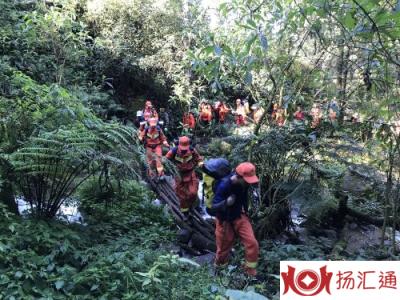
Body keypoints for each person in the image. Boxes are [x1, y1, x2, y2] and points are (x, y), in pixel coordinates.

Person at [209, 162, 260, 277]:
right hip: (224, 219)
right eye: (247, 180)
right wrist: (226, 202)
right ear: (238, 176)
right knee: (223, 249)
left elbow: (244, 198)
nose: (249, 182)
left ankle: (250, 272)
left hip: (238, 215)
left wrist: (246, 211)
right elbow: (214, 207)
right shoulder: (224, 185)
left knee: (252, 243)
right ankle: (219, 271)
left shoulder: (245, 184)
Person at [166, 136, 203, 219]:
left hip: (190, 173)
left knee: (193, 192)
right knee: (181, 195)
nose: (184, 150)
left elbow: (199, 158)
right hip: (179, 174)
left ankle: (192, 206)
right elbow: (166, 159)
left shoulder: (192, 150)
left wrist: (200, 163)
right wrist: (169, 167)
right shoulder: (174, 150)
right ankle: (185, 213)